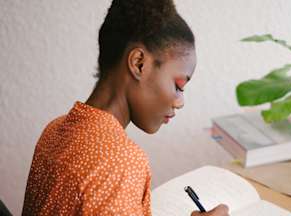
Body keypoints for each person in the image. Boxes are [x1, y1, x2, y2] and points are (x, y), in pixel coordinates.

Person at [22, 0, 229, 215]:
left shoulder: (54, 130)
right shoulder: (119, 162)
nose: (180, 101)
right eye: (178, 86)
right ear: (139, 63)